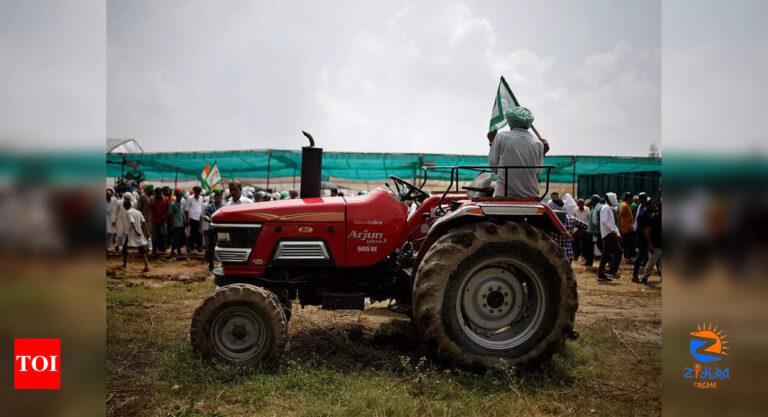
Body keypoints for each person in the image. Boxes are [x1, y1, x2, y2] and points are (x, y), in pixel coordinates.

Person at [488, 107, 550, 199]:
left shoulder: (500, 137)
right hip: (531, 195)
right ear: (529, 124)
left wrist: (492, 143)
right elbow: (537, 172)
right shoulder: (538, 144)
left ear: (509, 122)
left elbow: (494, 168)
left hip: (503, 195)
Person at [120, 198, 150, 272]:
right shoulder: (138, 212)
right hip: (139, 232)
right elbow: (143, 222)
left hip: (132, 233)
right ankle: (147, 265)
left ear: (124, 206)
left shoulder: (128, 212)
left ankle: (125, 264)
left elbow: (132, 222)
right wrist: (147, 232)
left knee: (125, 248)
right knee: (142, 249)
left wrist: (136, 231)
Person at [598, 192, 622, 281]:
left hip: (609, 233)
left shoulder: (608, 208)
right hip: (608, 234)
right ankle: (612, 271)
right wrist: (614, 232)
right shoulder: (606, 208)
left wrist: (617, 233)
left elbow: (612, 223)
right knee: (618, 252)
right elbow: (604, 221)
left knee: (605, 254)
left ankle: (601, 274)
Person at [639, 200, 662, 283]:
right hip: (655, 244)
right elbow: (647, 231)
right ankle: (644, 278)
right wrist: (649, 244)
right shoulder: (654, 218)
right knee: (651, 262)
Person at [203, 189, 225, 270]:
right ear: (215, 197)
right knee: (211, 248)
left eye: (220, 196)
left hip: (221, 230)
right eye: (217, 196)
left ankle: (222, 264)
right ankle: (211, 265)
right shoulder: (210, 206)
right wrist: (210, 219)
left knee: (222, 247)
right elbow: (204, 216)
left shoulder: (223, 207)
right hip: (212, 230)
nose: (219, 198)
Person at [149, 187, 169, 256]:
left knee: (163, 234)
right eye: (157, 194)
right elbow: (151, 209)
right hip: (155, 221)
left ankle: (162, 248)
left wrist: (165, 215)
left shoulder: (166, 200)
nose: (158, 195)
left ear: (161, 193)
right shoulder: (152, 200)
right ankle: (155, 249)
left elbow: (168, 210)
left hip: (163, 221)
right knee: (154, 236)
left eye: (159, 194)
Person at [185, 185, 205, 253]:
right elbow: (186, 209)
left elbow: (202, 208)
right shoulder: (189, 198)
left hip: (199, 218)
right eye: (196, 192)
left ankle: (199, 247)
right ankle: (191, 247)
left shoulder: (202, 198)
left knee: (200, 233)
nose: (197, 193)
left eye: (199, 192)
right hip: (192, 218)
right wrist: (187, 219)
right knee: (193, 233)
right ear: (194, 191)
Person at [573, 198, 592, 263]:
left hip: (585, 228)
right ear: (577, 204)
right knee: (576, 243)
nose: (580, 204)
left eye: (581, 203)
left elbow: (589, 219)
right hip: (577, 228)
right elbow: (574, 219)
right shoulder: (575, 209)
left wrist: (586, 228)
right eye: (579, 203)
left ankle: (584, 256)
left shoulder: (587, 209)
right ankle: (577, 255)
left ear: (583, 203)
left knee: (585, 243)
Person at [169, 189, 186, 258]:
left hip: (181, 223)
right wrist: (172, 224)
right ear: (176, 196)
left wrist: (185, 221)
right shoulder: (173, 204)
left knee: (179, 239)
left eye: (180, 196)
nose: (179, 197)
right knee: (175, 239)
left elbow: (182, 213)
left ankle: (178, 252)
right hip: (176, 224)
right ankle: (172, 252)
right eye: (178, 196)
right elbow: (171, 215)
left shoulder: (181, 204)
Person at [618, 192, 635, 262]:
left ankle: (628, 257)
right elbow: (619, 217)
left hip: (628, 229)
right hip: (626, 229)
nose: (633, 200)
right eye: (632, 199)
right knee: (627, 244)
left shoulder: (626, 205)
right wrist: (620, 228)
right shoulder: (624, 206)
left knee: (628, 244)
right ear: (629, 199)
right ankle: (627, 257)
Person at [586, 195, 602, 267]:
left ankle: (609, 260)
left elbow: (596, 221)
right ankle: (589, 262)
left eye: (592, 200)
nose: (591, 201)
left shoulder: (597, 207)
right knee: (589, 247)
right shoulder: (593, 207)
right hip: (591, 231)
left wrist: (596, 231)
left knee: (600, 246)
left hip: (595, 232)